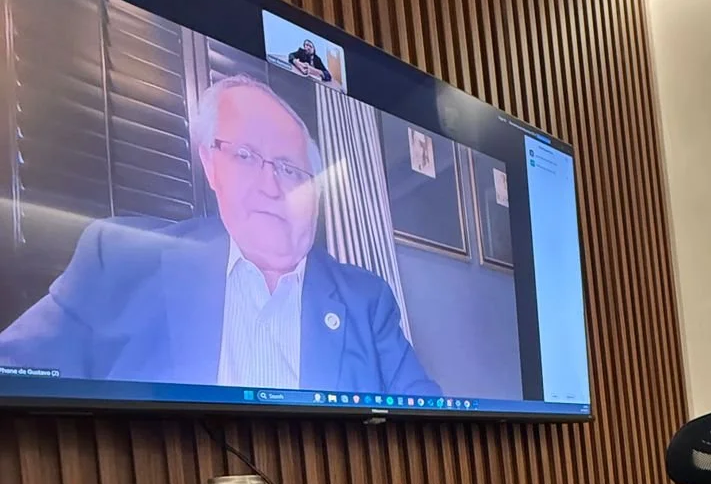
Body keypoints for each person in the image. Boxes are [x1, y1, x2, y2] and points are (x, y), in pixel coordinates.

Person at [0, 75, 440, 397]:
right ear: (211, 165)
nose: (272, 185)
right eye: (247, 156)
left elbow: (430, 423)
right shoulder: (119, 257)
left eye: (290, 168)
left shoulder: (366, 301)